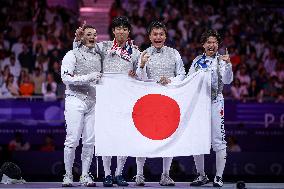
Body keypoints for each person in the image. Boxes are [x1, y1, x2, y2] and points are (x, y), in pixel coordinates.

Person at [74, 16, 141, 187]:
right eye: (118, 28)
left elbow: (140, 73)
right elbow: (82, 50)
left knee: (123, 137)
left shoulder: (135, 51)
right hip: (106, 98)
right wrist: (78, 38)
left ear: (128, 32)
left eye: (124, 29)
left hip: (126, 98)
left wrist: (136, 73)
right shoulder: (103, 46)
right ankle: (107, 174)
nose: (121, 31)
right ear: (113, 31)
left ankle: (119, 173)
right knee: (106, 136)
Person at [135, 21, 186, 186]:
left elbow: (182, 75)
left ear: (165, 36)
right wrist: (142, 65)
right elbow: (138, 78)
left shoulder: (174, 53)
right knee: (142, 137)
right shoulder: (144, 53)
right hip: (148, 101)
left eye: (161, 34)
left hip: (168, 101)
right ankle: (139, 174)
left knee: (168, 138)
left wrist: (170, 80)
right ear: (149, 36)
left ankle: (165, 175)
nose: (158, 37)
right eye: (155, 34)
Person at [187, 29, 233, 187]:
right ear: (203, 45)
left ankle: (219, 177)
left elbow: (227, 81)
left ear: (218, 44)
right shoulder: (197, 60)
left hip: (215, 103)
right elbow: (189, 80)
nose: (211, 45)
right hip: (199, 105)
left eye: (214, 42)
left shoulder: (222, 60)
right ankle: (201, 175)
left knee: (218, 141)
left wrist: (228, 64)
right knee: (198, 140)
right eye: (208, 42)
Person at [61, 24, 102, 187]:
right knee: (72, 140)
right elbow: (66, 78)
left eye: (95, 34)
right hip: (75, 99)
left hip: (93, 101)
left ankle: (85, 175)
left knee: (89, 141)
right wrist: (88, 77)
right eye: (89, 34)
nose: (92, 37)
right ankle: (68, 175)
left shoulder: (99, 56)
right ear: (82, 37)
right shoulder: (71, 54)